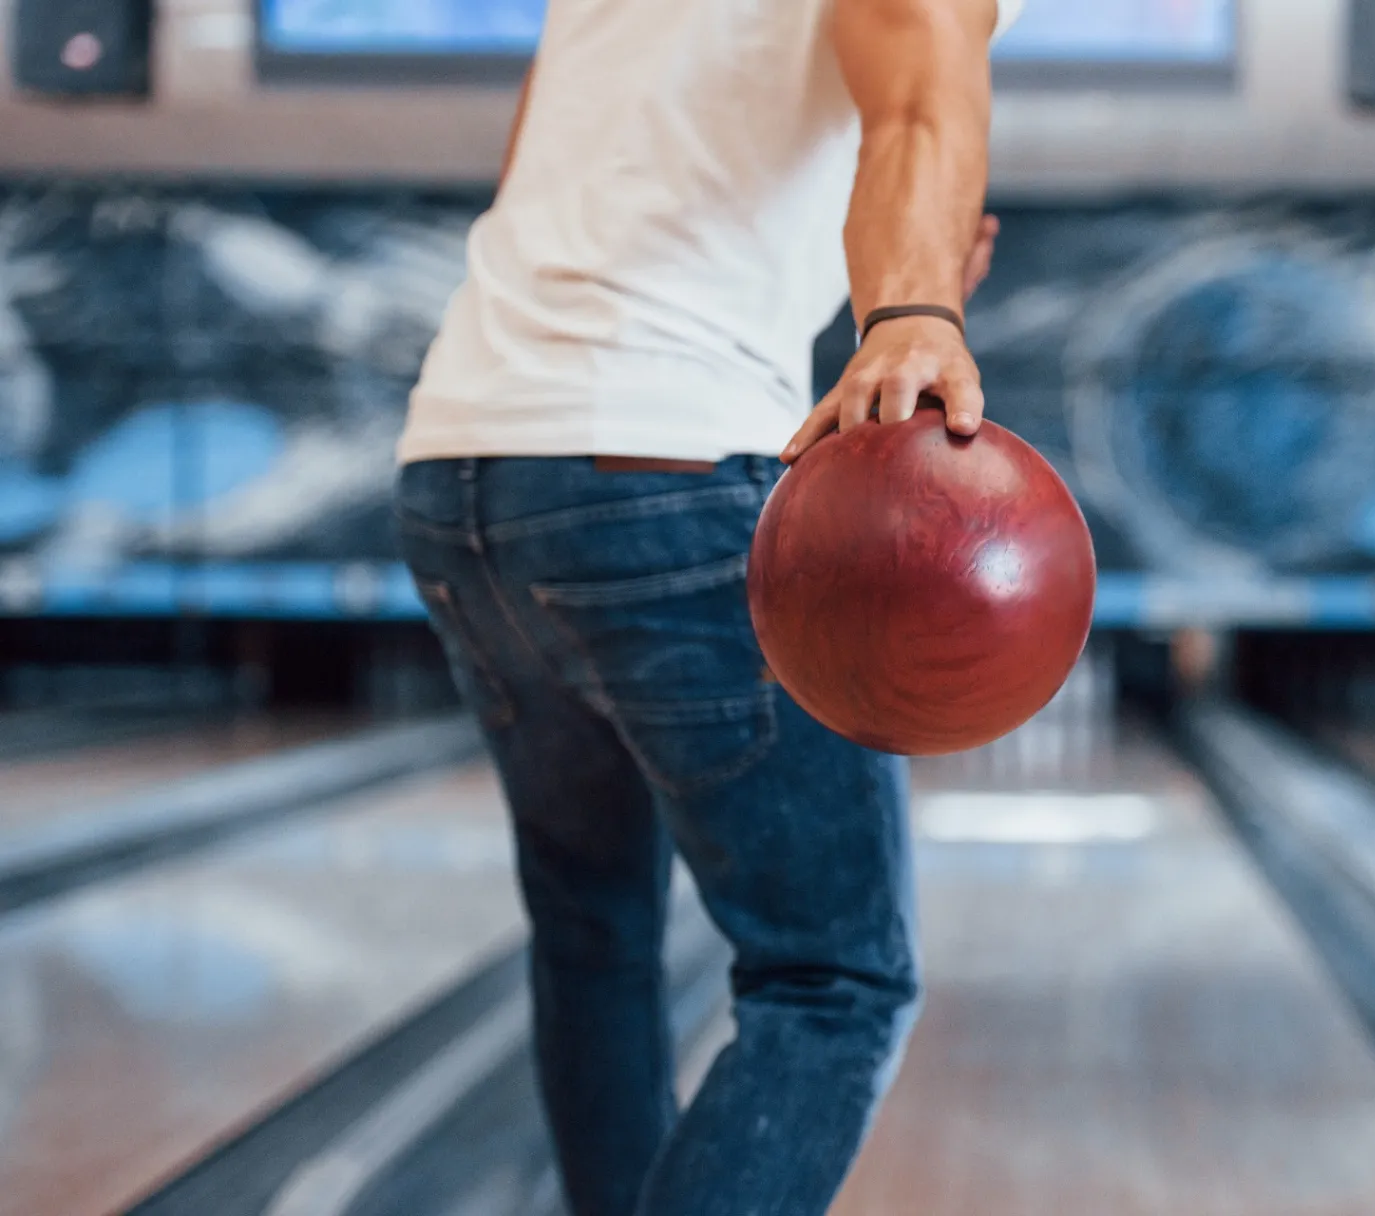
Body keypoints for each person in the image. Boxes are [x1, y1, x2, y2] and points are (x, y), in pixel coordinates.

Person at [392, 0, 1021, 1212]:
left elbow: (592, 173)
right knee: (834, 982)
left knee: (594, 943)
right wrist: (916, 312)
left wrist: (914, 251)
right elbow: (913, 64)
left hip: (462, 462)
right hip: (667, 469)